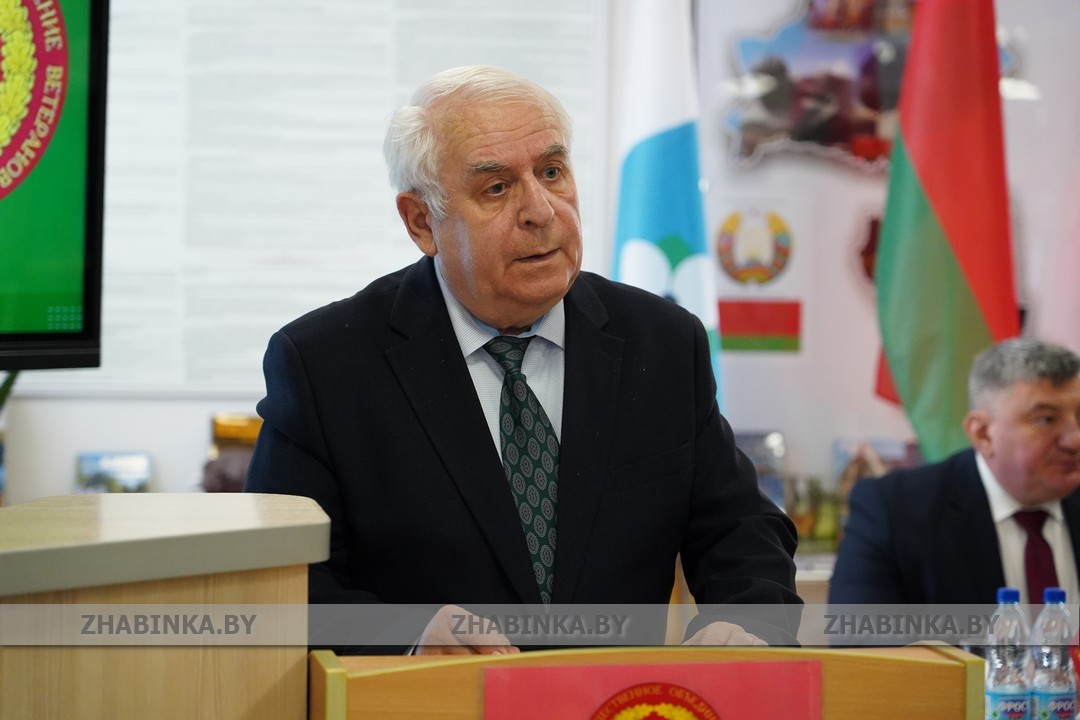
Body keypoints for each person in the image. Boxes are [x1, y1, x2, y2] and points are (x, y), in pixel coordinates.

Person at [244, 65, 800, 653]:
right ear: (421, 221)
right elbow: (284, 585)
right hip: (429, 697)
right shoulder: (324, 364)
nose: (541, 210)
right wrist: (405, 637)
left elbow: (741, 529)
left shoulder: (660, 342)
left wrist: (748, 627)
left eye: (552, 172)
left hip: (617, 698)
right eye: (496, 188)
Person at [829, 337, 1080, 605]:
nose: (1074, 440)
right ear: (983, 434)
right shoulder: (894, 510)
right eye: (1046, 419)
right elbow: (860, 626)